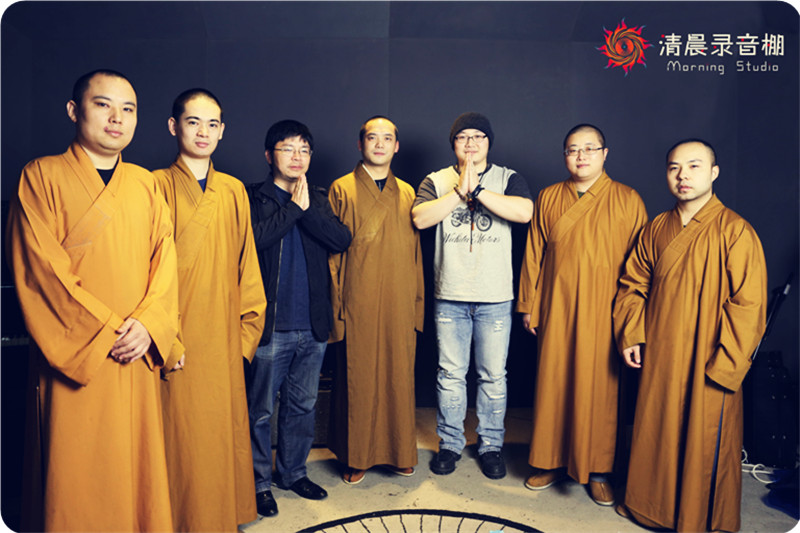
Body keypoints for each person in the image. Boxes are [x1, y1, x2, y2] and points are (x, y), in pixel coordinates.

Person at [6, 69, 178, 531]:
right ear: (73, 110)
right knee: (75, 474)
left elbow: (166, 262)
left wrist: (149, 324)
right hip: (76, 355)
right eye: (103, 105)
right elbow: (40, 271)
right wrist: (110, 330)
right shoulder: (40, 176)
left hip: (137, 349)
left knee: (135, 469)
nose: (117, 118)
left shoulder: (145, 183)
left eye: (128, 109)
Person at [613, 139, 767, 532]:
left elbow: (749, 306)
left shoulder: (735, 230)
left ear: (714, 173)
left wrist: (726, 366)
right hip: (661, 350)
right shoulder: (656, 228)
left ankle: (698, 518)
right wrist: (632, 333)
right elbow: (633, 284)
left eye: (694, 166)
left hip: (709, 354)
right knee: (656, 431)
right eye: (674, 168)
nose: (683, 176)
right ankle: (649, 508)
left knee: (703, 438)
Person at [153, 89, 266, 532]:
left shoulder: (234, 190)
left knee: (219, 433)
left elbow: (248, 268)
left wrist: (244, 337)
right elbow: (145, 272)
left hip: (222, 338)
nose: (203, 132)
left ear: (222, 131)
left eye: (212, 124)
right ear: (173, 126)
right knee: (180, 436)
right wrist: (164, 338)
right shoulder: (154, 185)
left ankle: (220, 517)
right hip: (174, 337)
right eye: (193, 122)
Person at [516, 124, 647, 505]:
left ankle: (599, 469)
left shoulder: (628, 200)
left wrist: (631, 322)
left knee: (601, 390)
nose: (581, 156)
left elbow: (640, 267)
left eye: (590, 148)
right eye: (573, 150)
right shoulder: (549, 196)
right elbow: (534, 253)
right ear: (565, 157)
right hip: (557, 306)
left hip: (606, 311)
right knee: (554, 384)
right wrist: (528, 304)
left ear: (605, 154)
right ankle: (550, 461)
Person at [412, 112, 533, 479]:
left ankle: (491, 445)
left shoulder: (508, 178)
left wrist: (478, 190)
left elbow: (524, 212)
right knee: (450, 374)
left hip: (496, 296)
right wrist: (458, 192)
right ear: (453, 144)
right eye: (463, 137)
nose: (471, 143)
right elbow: (419, 218)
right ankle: (450, 444)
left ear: (488, 142)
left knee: (493, 376)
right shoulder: (436, 180)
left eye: (478, 136)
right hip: (450, 294)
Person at [246, 120, 352, 517]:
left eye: (304, 150)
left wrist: (305, 210)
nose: (297, 156)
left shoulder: (318, 198)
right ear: (269, 154)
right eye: (288, 148)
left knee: (303, 406)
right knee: (260, 411)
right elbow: (254, 240)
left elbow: (341, 239)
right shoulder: (252, 197)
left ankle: (292, 473)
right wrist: (293, 209)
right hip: (269, 327)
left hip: (312, 325)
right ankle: (258, 483)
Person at [327, 116, 424, 484]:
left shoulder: (409, 193)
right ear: (360, 144)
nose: (380, 144)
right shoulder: (341, 188)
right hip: (357, 298)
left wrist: (417, 304)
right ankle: (356, 456)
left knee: (399, 377)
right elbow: (331, 256)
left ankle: (399, 452)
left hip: (399, 297)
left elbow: (416, 255)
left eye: (387, 138)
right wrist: (336, 308)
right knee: (358, 378)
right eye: (372, 137)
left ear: (396, 146)